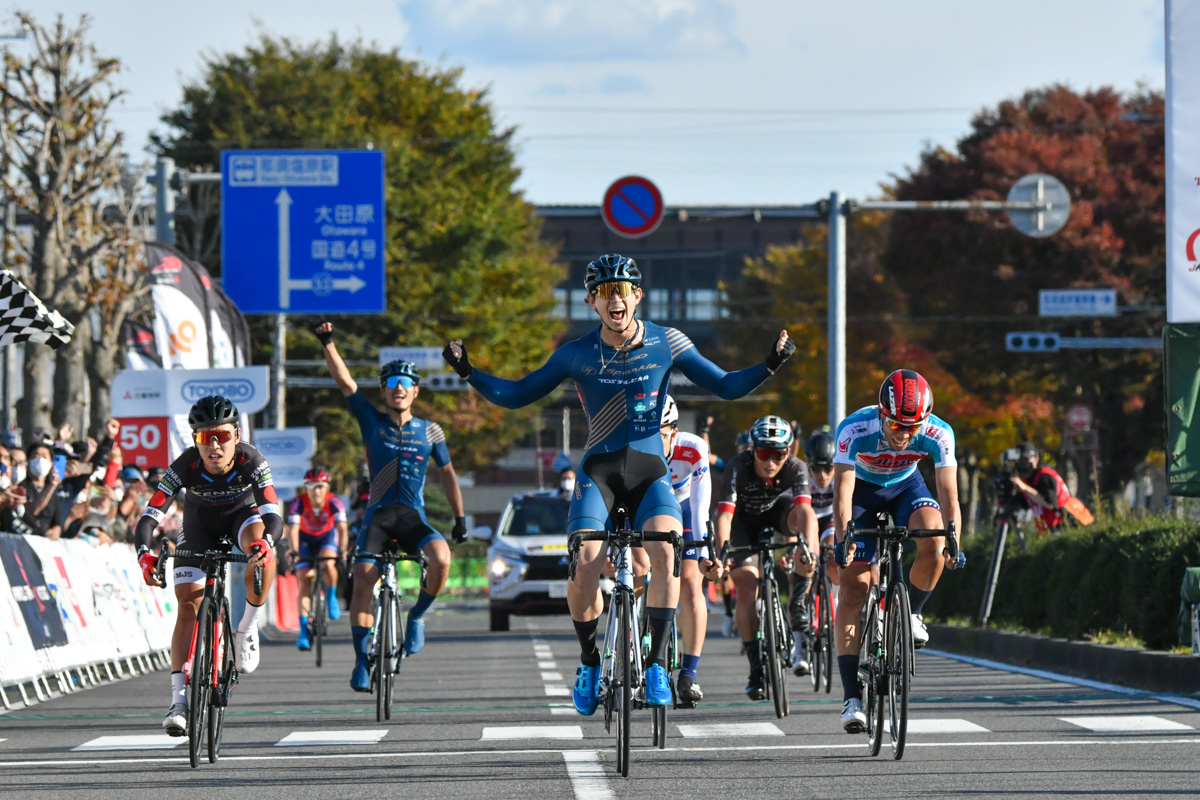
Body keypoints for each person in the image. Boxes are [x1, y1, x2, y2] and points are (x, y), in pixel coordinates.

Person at [444, 252, 797, 715]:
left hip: (650, 470)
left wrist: (770, 363)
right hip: (600, 472)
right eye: (606, 292)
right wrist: (467, 370)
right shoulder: (577, 354)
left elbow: (726, 386)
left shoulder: (667, 341)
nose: (616, 299)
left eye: (624, 290)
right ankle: (590, 661)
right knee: (586, 560)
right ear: (592, 301)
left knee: (667, 552)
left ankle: (654, 665)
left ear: (638, 296)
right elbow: (515, 395)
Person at [314, 322, 467, 693]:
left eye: (405, 383)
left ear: (415, 391)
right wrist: (328, 343)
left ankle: (415, 617)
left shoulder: (431, 431)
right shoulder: (372, 422)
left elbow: (448, 476)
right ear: (383, 390)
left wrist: (460, 518)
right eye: (392, 383)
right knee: (363, 578)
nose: (399, 388)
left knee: (442, 558)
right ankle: (361, 659)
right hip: (378, 518)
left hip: (414, 519)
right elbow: (346, 383)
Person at [134, 395, 281, 737]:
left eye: (223, 436)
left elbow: (274, 516)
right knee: (188, 605)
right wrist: (144, 554)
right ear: (194, 440)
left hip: (243, 519)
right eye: (204, 437)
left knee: (261, 555)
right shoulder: (183, 466)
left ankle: (246, 626)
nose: (214, 445)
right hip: (199, 524)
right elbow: (148, 518)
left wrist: (265, 543)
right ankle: (179, 701)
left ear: (237, 435)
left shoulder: (252, 460)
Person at [832, 369, 961, 733]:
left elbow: (948, 495)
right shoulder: (855, 428)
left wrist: (954, 541)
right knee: (854, 586)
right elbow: (842, 494)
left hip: (907, 487)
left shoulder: (939, 432)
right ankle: (851, 697)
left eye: (913, 427)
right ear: (881, 413)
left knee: (933, 540)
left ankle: (913, 613)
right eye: (896, 426)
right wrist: (844, 538)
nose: (905, 435)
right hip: (862, 492)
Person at [711, 414, 817, 699]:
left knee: (800, 516)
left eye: (778, 454)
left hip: (776, 514)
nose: (770, 462)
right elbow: (724, 516)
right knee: (746, 585)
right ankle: (756, 665)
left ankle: (798, 600)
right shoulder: (738, 467)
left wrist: (809, 549)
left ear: (788, 452)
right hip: (741, 523)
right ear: (752, 450)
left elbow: (806, 512)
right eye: (763, 453)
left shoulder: (796, 466)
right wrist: (722, 554)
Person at [659, 395, 714, 707]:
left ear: (674, 430)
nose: (656, 441)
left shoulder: (692, 447)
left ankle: (689, 672)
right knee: (639, 570)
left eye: (663, 433)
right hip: (647, 506)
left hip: (685, 506)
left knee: (692, 586)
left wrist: (705, 545)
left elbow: (700, 502)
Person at [287, 466, 350, 650]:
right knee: (304, 580)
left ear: (327, 488)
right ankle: (304, 632)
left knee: (329, 561)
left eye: (321, 486)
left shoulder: (335, 503)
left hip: (326, 538)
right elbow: (293, 530)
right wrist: (294, 551)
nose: (317, 490)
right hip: (306, 541)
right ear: (305, 488)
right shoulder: (298, 503)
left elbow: (342, 529)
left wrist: (343, 550)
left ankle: (331, 597)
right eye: (312, 486)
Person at [792, 429, 837, 676]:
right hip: (805, 521)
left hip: (829, 522)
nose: (822, 476)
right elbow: (793, 517)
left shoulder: (841, 476)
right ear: (808, 465)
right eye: (816, 469)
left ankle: (835, 599)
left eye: (828, 469)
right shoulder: (800, 479)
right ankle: (799, 646)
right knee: (798, 568)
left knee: (832, 552)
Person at [1010, 442, 1072, 533]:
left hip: (1064, 526)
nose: (1022, 463)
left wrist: (1026, 488)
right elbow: (1022, 505)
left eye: (1026, 459)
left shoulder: (1045, 475)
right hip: (1046, 530)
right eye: (1020, 460)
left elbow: (1050, 504)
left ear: (1036, 459)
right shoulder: (1026, 481)